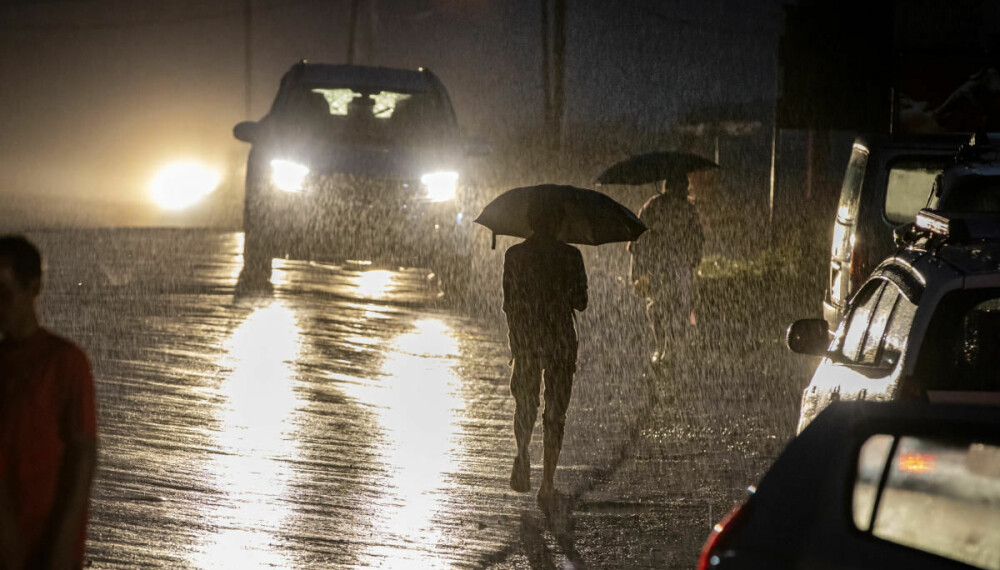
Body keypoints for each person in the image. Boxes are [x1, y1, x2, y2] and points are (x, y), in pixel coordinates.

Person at [0, 235, 97, 569]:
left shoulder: (64, 362)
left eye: (4, 293)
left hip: (44, 546)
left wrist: (62, 546)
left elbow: (83, 456)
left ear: (33, 287)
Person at [502, 199, 588, 505]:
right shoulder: (571, 256)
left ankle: (523, 453)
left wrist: (516, 340)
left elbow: (509, 303)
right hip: (560, 343)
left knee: (525, 404)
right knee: (555, 413)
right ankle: (547, 483)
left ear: (530, 221)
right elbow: (581, 302)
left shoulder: (515, 256)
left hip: (526, 341)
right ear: (559, 222)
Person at [628, 170, 704, 363]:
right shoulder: (688, 209)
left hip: (657, 267)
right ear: (684, 186)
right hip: (680, 268)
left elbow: (638, 238)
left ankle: (662, 345)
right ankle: (672, 348)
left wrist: (636, 272)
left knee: (658, 307)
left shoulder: (652, 205)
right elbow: (697, 240)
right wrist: (693, 260)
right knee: (679, 308)